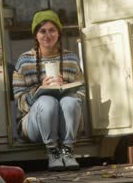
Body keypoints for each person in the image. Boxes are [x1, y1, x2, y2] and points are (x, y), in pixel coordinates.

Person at [12, 9, 84, 171]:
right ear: (36, 35)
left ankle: (67, 150)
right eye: (42, 31)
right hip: (33, 124)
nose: (47, 35)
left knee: (70, 100)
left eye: (52, 30)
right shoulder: (24, 61)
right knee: (47, 101)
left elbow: (81, 92)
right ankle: (53, 152)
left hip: (65, 123)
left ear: (59, 33)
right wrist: (41, 89)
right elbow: (20, 101)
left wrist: (64, 87)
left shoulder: (71, 59)